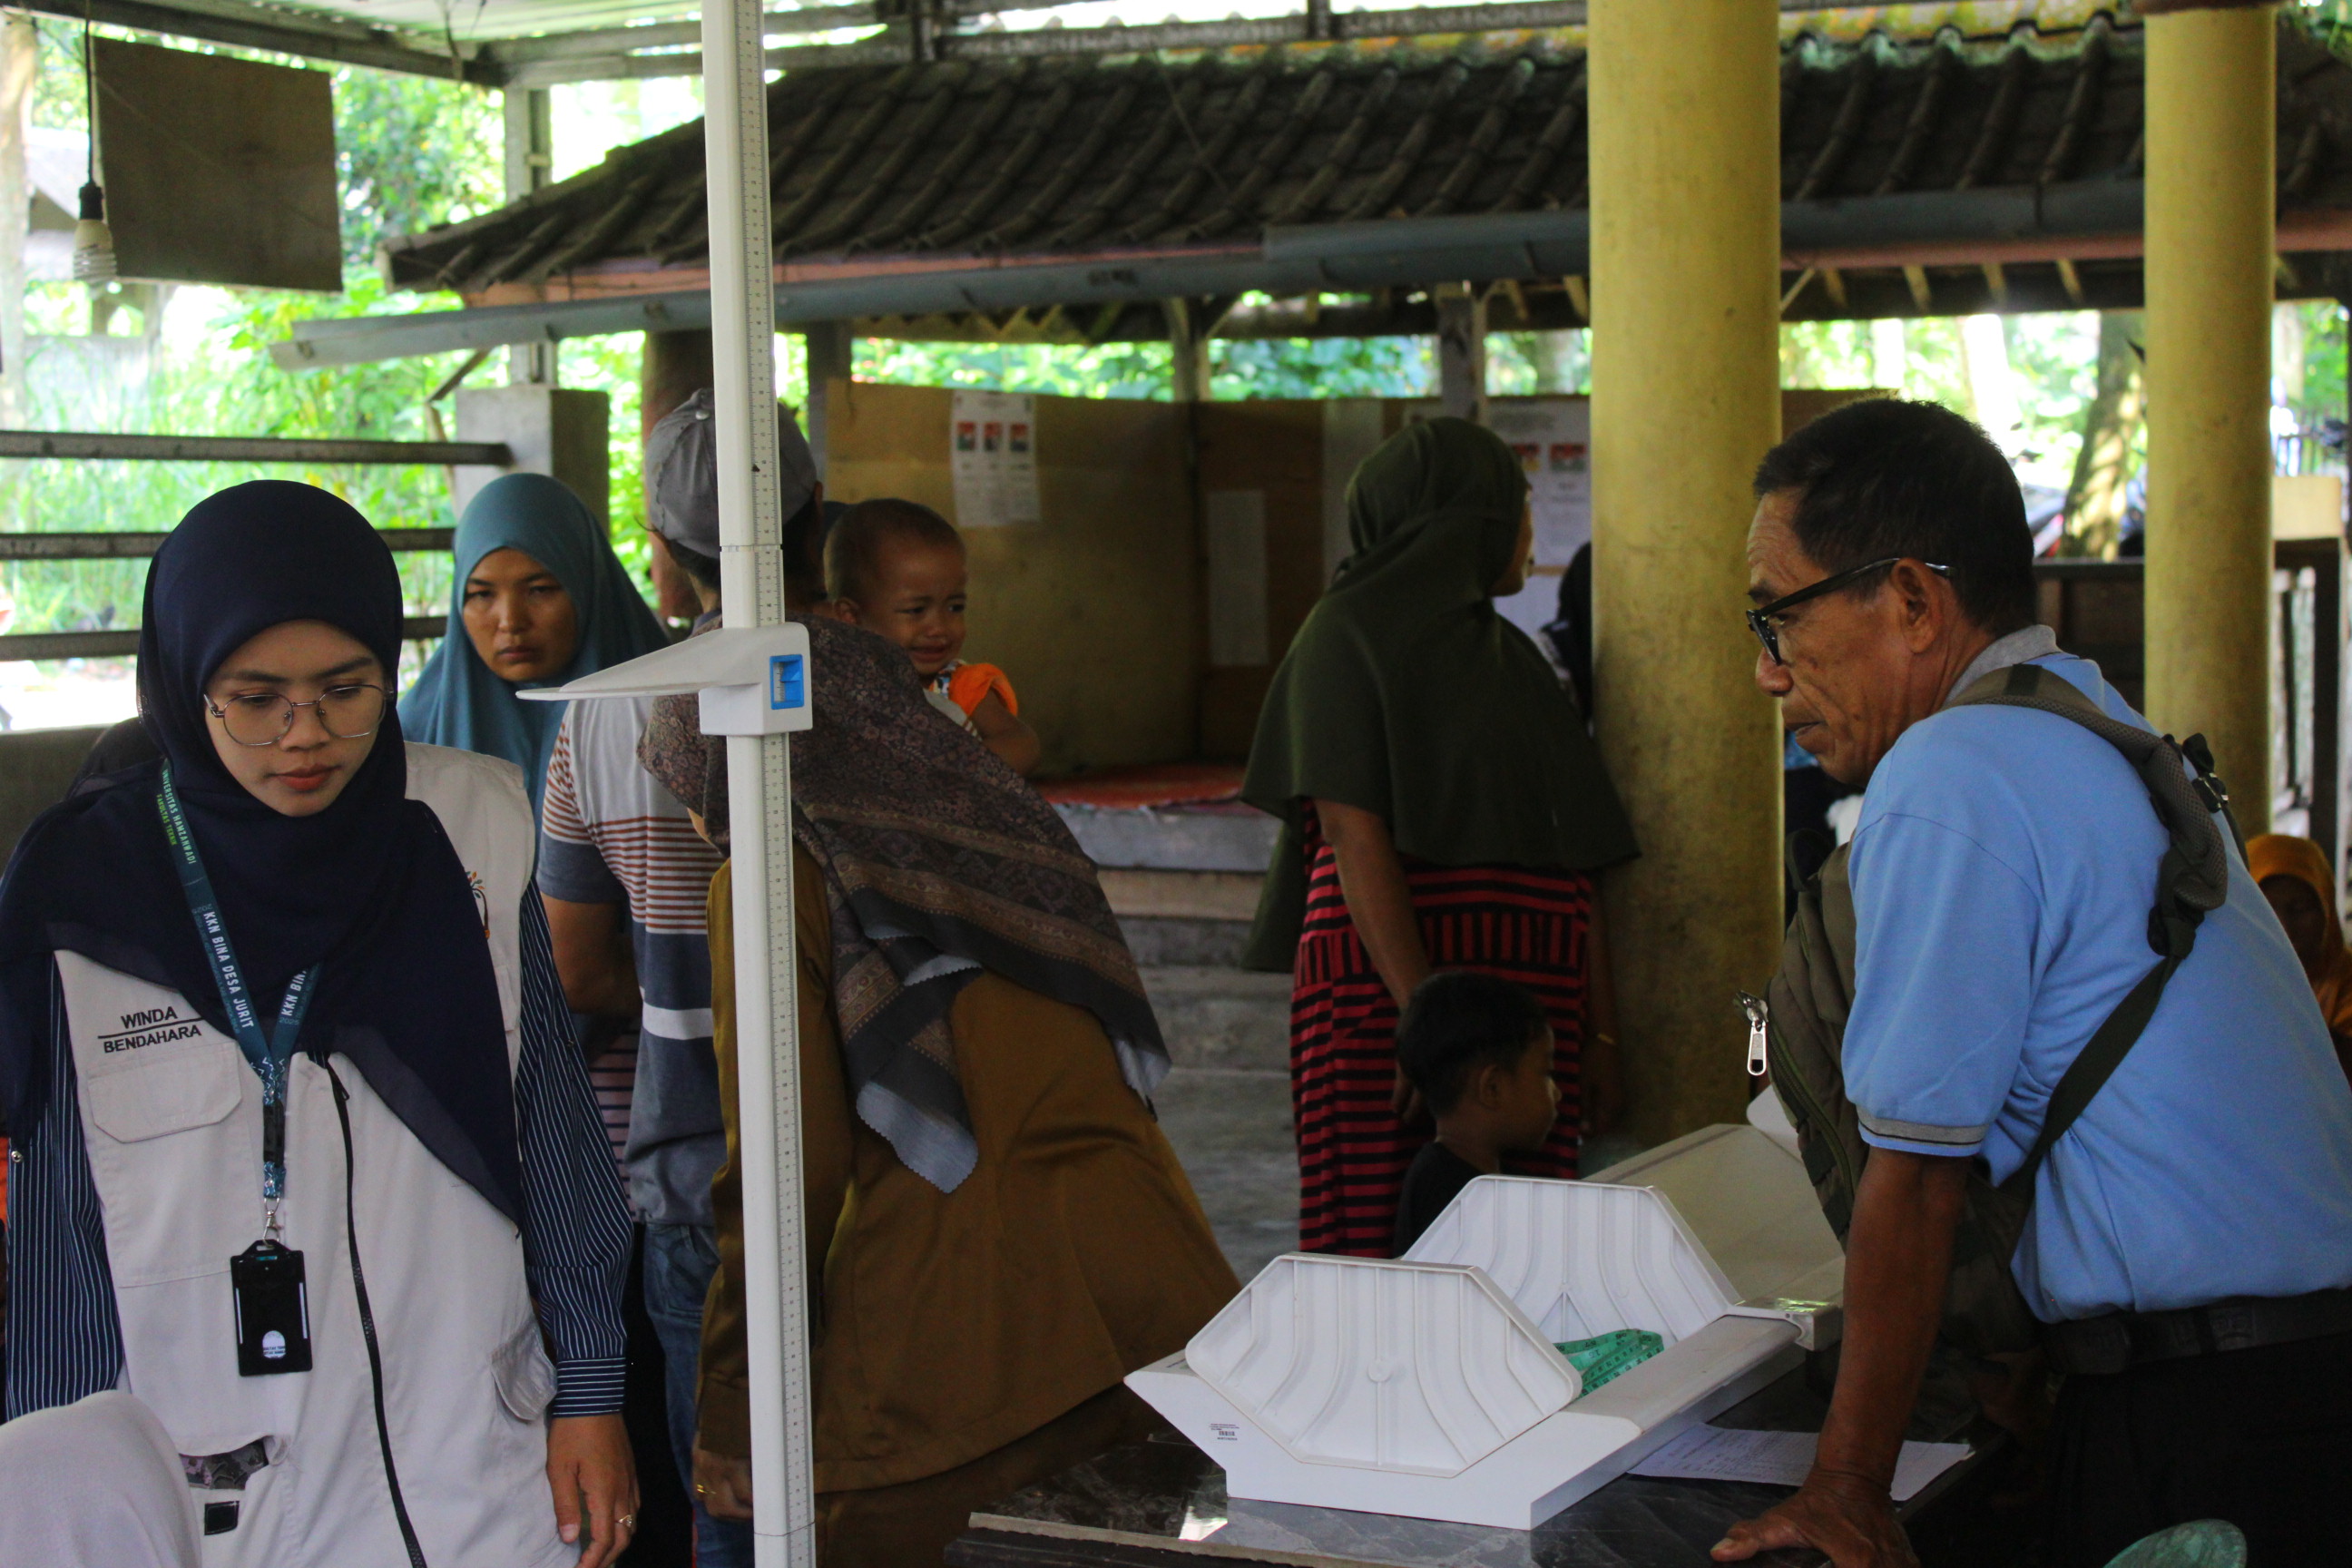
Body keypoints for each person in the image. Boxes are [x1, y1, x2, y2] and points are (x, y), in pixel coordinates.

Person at [1718, 398, 2352, 1568]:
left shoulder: (1954, 768)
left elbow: (1915, 1179)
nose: (1769, 670)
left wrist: (1848, 1488)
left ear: (1912, 600)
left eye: (1780, 615)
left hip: (2205, 1415)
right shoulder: (2090, 719)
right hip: (2288, 1388)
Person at [0, 483, 639, 1564]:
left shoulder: (471, 825)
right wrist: (62, 1496)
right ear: (185, 681)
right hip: (219, 1506)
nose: (306, 737)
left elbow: (555, 1131)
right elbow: (63, 1233)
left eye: (346, 690)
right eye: (255, 699)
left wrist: (591, 1385)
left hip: (476, 1475)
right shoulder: (80, 895)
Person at [640, 614, 1237, 1566]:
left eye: (686, 784)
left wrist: (734, 1399)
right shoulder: (1001, 827)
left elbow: (789, 1171)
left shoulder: (772, 878)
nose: (692, 815)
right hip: (1150, 1305)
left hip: (952, 1356)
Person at [536, 388, 826, 1568]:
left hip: (693, 1174)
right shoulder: (897, 709)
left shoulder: (604, 723)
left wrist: (682, 994)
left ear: (661, 551)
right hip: (878, 1178)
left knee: (733, 1511)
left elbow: (575, 967)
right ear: (817, 520)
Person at [1240, 416, 1638, 1258]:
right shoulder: (1341, 634)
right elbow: (1352, 834)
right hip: (1392, 1004)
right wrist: (1428, 1025)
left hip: (1524, 1008)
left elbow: (1577, 866)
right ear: (1466, 519)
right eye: (1517, 506)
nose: (1529, 531)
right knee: (1384, 1249)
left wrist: (1600, 1037)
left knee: (1528, 1256)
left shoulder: (1514, 660)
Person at [399, 470, 669, 814]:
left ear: (587, 586)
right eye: (481, 594)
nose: (511, 621)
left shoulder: (670, 714)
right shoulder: (413, 738)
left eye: (539, 590)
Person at [822, 497, 1042, 776]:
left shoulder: (959, 686)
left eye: (955, 607)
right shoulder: (839, 685)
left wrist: (951, 770)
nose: (938, 627)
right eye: (916, 610)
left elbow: (1023, 744)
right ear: (851, 617)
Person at [1388, 972, 1559, 1256]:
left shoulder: (1491, 1179)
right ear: (1492, 1088)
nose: (1557, 1093)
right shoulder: (1446, 1190)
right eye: (1545, 1073)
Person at [2247, 832, 2352, 1080]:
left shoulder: (2346, 987)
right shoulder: (2222, 987)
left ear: (2326, 908)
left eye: (2300, 908)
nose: (2284, 927)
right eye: (2267, 911)